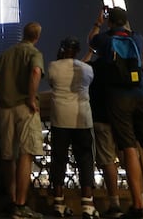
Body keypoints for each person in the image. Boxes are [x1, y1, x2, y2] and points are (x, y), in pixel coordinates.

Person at [88, 7, 143, 219]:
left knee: (129, 149)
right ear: (125, 21)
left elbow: (92, 40)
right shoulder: (137, 38)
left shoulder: (106, 41)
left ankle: (138, 205)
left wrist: (98, 23)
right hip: (141, 96)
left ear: (110, 22)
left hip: (119, 99)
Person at [0, 21, 45, 219]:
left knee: (7, 155)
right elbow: (36, 72)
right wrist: (31, 97)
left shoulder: (6, 54)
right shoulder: (34, 53)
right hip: (23, 107)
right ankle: (21, 205)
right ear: (37, 37)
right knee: (25, 154)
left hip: (4, 109)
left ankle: (11, 200)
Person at [48, 36, 98, 219]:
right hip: (82, 119)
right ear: (77, 51)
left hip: (60, 120)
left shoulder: (53, 66)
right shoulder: (87, 69)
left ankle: (59, 203)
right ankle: (87, 205)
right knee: (85, 160)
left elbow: (53, 84)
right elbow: (84, 78)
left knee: (58, 160)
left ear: (62, 49)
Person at [83, 40, 123, 218]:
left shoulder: (93, 67)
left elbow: (81, 67)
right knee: (119, 160)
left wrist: (90, 51)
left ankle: (103, 203)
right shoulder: (115, 66)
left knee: (98, 160)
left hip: (96, 118)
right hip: (117, 118)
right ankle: (130, 201)